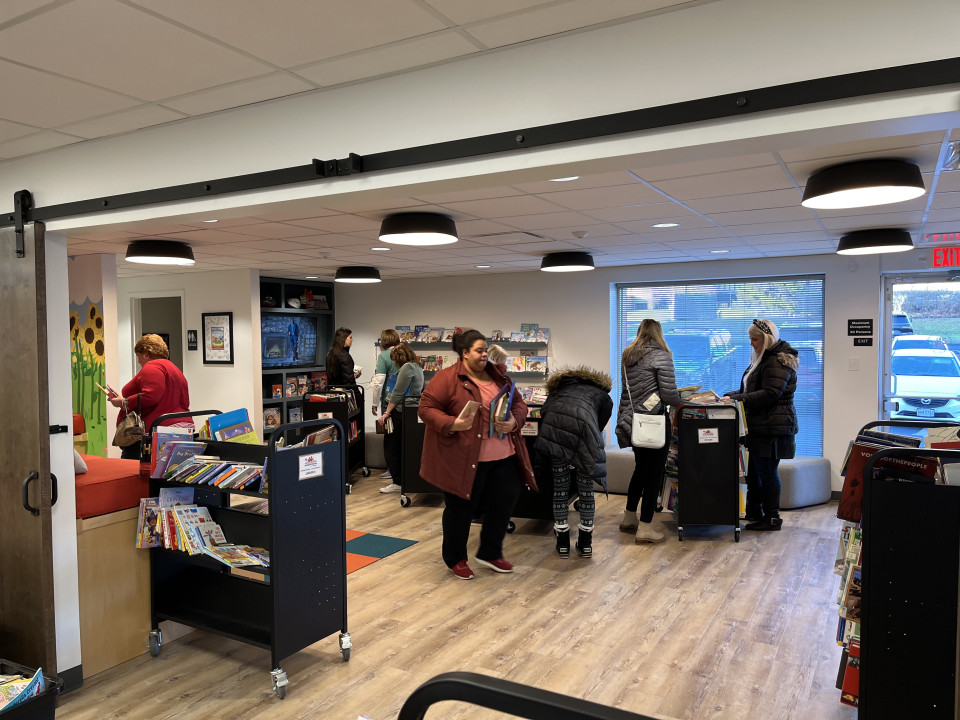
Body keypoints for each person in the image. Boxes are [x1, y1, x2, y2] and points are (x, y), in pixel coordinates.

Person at [419, 329, 537, 580]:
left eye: (486, 350)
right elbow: (426, 408)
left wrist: (514, 422)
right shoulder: (447, 378)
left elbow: (519, 404)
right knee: (460, 510)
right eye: (479, 351)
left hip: (503, 455)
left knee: (503, 503)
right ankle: (456, 558)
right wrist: (452, 423)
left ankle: (490, 552)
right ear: (464, 353)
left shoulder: (497, 375)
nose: (485, 355)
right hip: (464, 459)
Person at [724, 318, 799, 531]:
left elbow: (770, 393)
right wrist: (732, 395)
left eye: (755, 339)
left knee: (766, 472)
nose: (752, 344)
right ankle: (755, 511)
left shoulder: (775, 361)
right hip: (762, 425)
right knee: (754, 471)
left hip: (772, 427)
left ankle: (772, 517)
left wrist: (739, 399)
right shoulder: (763, 359)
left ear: (766, 339)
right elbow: (752, 388)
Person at [616, 319, 683, 544]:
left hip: (632, 420)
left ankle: (628, 518)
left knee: (640, 470)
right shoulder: (663, 355)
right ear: (659, 333)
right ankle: (645, 528)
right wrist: (684, 398)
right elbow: (669, 394)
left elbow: (629, 390)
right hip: (654, 421)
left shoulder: (628, 355)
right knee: (654, 474)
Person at [535, 366, 613, 559]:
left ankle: (562, 542)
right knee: (586, 490)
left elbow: (544, 412)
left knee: (560, 488)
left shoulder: (558, 391)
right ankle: (585, 543)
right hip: (586, 437)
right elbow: (602, 418)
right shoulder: (600, 393)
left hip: (557, 437)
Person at [110, 333, 191, 460]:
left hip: (155, 432)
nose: (138, 361)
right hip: (181, 427)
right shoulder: (174, 369)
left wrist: (123, 402)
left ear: (146, 354)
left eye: (138, 356)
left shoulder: (152, 367)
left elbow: (151, 396)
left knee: (132, 473)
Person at [376, 342, 424, 493]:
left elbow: (397, 392)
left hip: (400, 411)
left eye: (395, 359)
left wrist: (386, 413)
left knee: (391, 446)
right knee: (404, 447)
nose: (395, 363)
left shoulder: (406, 367)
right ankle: (403, 480)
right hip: (411, 410)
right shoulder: (417, 367)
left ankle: (397, 482)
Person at [370, 329, 401, 483]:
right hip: (406, 403)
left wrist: (374, 403)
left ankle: (392, 470)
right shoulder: (405, 354)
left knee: (390, 437)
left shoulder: (384, 357)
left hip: (389, 403)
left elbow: (378, 382)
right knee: (402, 437)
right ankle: (402, 470)